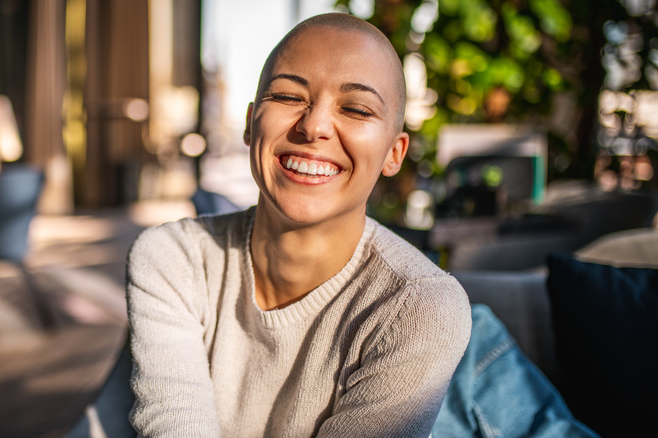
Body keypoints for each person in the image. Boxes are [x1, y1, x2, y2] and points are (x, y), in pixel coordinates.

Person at [126, 12, 471, 437]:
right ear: (252, 124)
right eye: (289, 97)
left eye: (357, 108)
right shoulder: (172, 259)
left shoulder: (418, 310)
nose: (314, 126)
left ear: (393, 154)